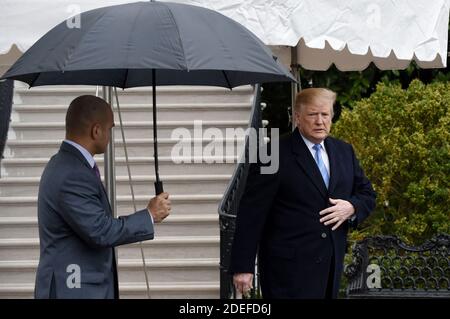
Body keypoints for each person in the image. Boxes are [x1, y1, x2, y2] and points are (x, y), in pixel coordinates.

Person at [229, 88, 376, 298]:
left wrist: (351, 207)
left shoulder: (344, 151)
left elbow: (367, 194)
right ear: (298, 117)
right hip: (287, 272)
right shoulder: (273, 153)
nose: (319, 121)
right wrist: (243, 266)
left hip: (330, 268)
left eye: (325, 115)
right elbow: (251, 213)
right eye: (312, 114)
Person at [35, 95, 171, 299]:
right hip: (74, 289)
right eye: (110, 128)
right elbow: (100, 230)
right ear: (96, 130)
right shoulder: (72, 173)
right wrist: (149, 215)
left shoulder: (68, 164)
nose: (110, 135)